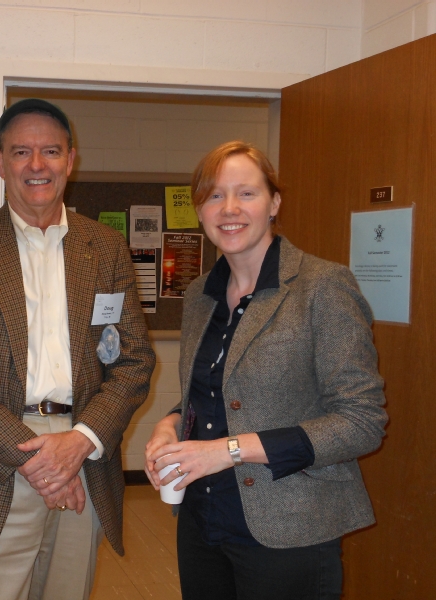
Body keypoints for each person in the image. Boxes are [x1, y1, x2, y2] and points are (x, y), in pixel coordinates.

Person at [0, 99, 155, 600]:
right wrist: (35, 460)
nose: (36, 165)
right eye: (21, 151)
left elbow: (132, 360)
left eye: (50, 151)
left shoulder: (106, 248)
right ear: (0, 161)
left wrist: (80, 441)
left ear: (70, 159)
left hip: (84, 451)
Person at [144, 141, 388, 600]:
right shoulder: (201, 295)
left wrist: (229, 450)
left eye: (246, 194)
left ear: (274, 203)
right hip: (202, 520)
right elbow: (213, 390)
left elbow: (361, 422)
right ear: (199, 209)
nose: (229, 208)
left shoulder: (322, 287)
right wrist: (168, 423)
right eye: (215, 195)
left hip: (290, 528)